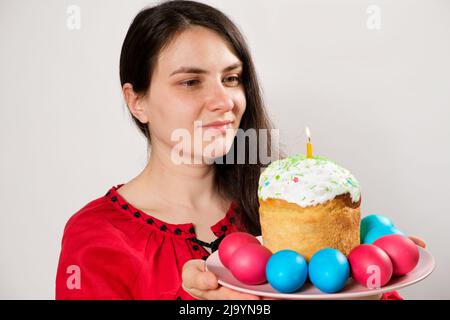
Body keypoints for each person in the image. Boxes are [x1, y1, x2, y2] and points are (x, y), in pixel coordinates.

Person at [55, 0, 426, 300]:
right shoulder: (97, 237)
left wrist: (360, 292)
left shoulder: (290, 204)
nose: (224, 100)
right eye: (190, 81)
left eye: (231, 78)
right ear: (137, 101)